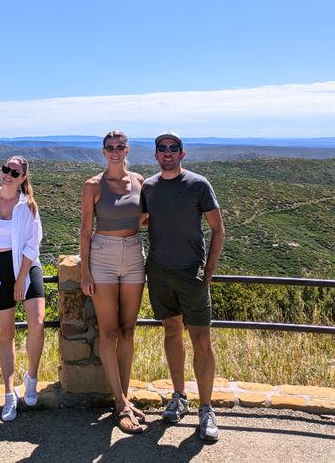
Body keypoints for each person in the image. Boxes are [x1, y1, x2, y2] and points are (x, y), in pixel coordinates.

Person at [139, 131, 225, 442]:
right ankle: (179, 396)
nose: (167, 153)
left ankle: (207, 409)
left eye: (173, 148)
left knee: (202, 339)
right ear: (155, 154)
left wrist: (210, 267)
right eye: (161, 148)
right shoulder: (148, 187)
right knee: (171, 332)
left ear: (182, 154)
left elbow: (218, 228)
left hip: (191, 274)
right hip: (159, 272)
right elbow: (144, 219)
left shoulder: (199, 185)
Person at [79, 130, 147, 434]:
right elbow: (84, 230)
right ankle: (120, 403)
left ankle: (125, 395)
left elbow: (144, 219)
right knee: (109, 332)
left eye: (120, 147)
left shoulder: (140, 181)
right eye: (110, 148)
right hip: (103, 254)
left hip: (134, 252)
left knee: (128, 330)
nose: (115, 151)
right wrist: (85, 272)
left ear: (127, 149)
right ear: (103, 151)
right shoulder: (92, 185)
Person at [0, 156, 45, 422]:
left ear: (23, 177)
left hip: (25, 266)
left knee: (37, 324)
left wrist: (20, 279)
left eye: (14, 172)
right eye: (5, 169)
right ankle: (9, 394)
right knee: (5, 333)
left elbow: (32, 243)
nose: (7, 174)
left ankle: (31, 378)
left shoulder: (28, 206)